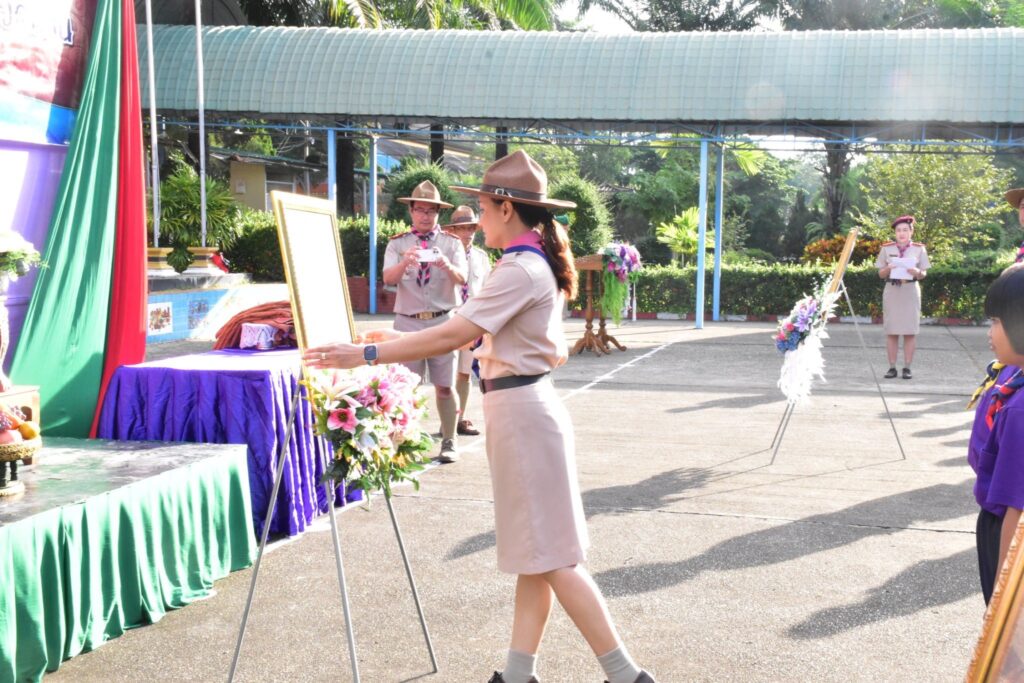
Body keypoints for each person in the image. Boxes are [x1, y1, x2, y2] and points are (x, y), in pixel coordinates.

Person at [305, 151, 655, 683]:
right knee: (537, 554)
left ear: (507, 208)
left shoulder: (518, 268)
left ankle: (626, 675)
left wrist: (368, 354)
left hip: (522, 414)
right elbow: (462, 330)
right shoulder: (527, 262)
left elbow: (454, 333)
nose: (475, 220)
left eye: (484, 209)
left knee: (554, 560)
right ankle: (517, 675)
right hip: (522, 409)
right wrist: (386, 338)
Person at [382, 180, 467, 463]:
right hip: (408, 323)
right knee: (405, 387)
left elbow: (462, 278)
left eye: (431, 211)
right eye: (419, 209)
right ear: (411, 211)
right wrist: (405, 262)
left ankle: (449, 440)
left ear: (438, 213)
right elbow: (388, 278)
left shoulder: (451, 243)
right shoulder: (398, 243)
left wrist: (446, 264)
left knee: (445, 386)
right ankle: (404, 442)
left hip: (443, 322)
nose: (425, 216)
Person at [968, 263, 1024, 605]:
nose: (990, 333)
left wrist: (1004, 602)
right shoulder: (1015, 378)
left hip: (1004, 528)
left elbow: (1016, 510)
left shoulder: (1019, 410)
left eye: (996, 322)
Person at [441, 205, 493, 437]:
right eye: (462, 228)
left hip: (472, 320)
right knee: (445, 373)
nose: (467, 233)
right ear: (452, 231)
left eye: (471, 228)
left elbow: (487, 291)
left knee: (464, 373)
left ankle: (459, 419)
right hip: (448, 318)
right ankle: (447, 421)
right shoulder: (442, 256)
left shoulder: (481, 258)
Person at [875, 215, 930, 379]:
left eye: (905, 230)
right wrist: (889, 268)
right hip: (892, 291)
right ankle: (892, 367)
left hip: (910, 290)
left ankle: (907, 367)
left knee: (910, 331)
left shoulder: (919, 249)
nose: (901, 233)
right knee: (891, 331)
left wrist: (917, 272)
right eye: (898, 230)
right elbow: (880, 273)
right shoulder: (887, 249)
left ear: (911, 232)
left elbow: (924, 273)